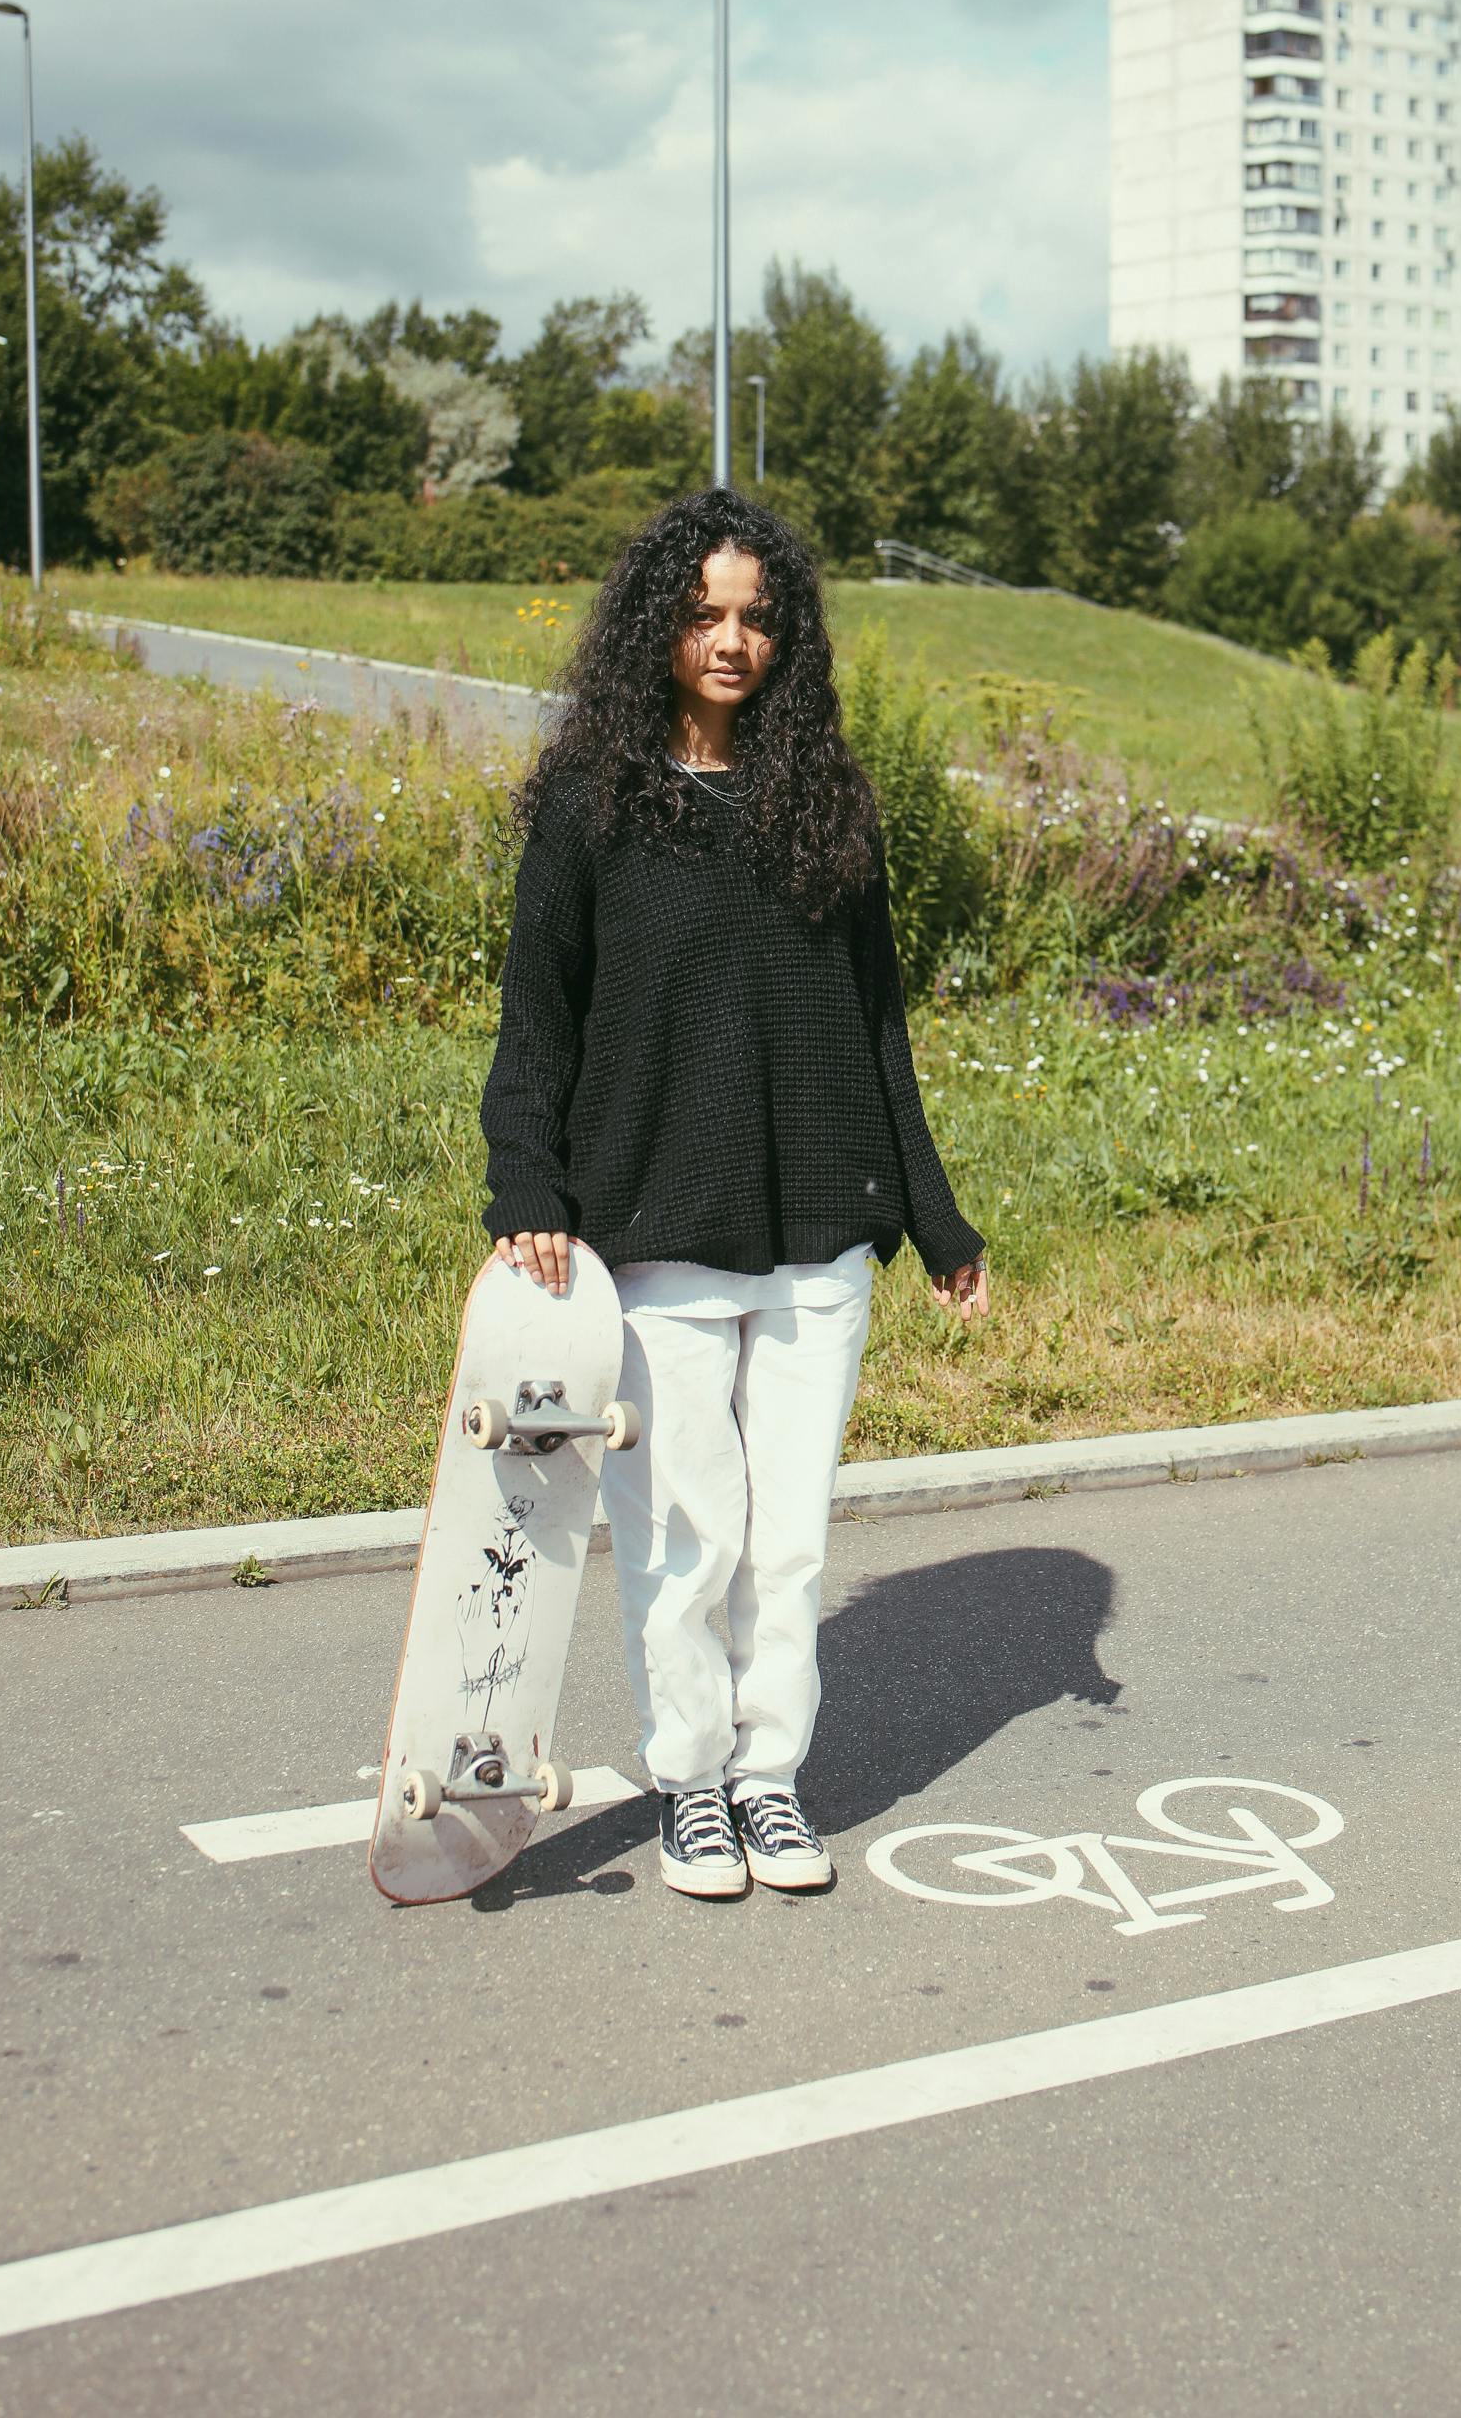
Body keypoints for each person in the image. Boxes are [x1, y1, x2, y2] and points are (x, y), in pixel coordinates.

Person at [480, 489, 988, 1899]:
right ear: (658, 625)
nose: (731, 640)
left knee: (792, 1537)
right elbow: (539, 1020)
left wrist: (935, 1220)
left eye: (759, 617)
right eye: (703, 613)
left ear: (790, 640)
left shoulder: (827, 805)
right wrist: (527, 1181)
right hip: (657, 1234)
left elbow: (878, 1025)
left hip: (820, 1233)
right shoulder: (592, 804)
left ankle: (770, 1781)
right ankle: (688, 1781)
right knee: (685, 1534)